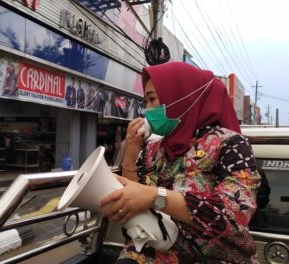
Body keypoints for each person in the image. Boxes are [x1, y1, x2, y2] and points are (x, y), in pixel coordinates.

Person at [100, 62, 260, 263]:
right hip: (152, 251)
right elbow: (136, 199)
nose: (147, 110)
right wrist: (130, 155)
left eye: (152, 99)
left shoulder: (230, 144)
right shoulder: (154, 148)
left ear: (181, 97)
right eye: (145, 102)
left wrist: (154, 196)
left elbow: (234, 216)